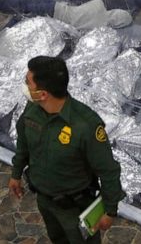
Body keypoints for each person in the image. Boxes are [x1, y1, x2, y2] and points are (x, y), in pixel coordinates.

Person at [9, 56, 125, 243]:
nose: (25, 87)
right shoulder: (32, 109)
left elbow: (108, 171)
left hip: (75, 207)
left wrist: (110, 211)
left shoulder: (86, 126)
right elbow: (23, 142)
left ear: (43, 94)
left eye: (27, 83)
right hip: (44, 199)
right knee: (57, 239)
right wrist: (16, 173)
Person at [0, 0, 132, 30]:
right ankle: (4, 6)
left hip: (58, 9)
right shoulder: (100, 29)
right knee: (27, 12)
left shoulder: (99, 4)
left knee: (26, 6)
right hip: (57, 22)